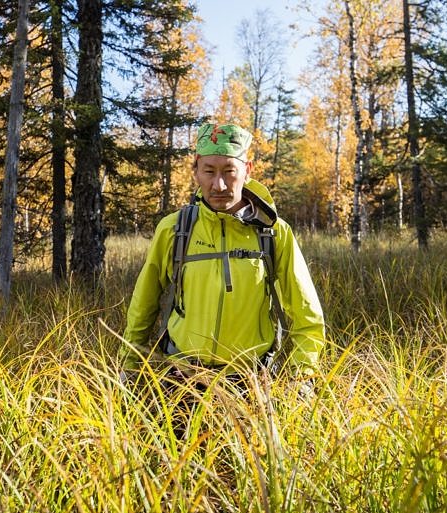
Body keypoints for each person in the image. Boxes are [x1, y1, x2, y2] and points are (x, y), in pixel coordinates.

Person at [120, 122, 324, 388]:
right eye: (209, 171)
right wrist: (129, 365)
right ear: (196, 170)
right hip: (181, 380)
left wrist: (303, 376)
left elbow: (307, 315)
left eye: (229, 171)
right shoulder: (174, 229)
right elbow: (143, 303)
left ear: (247, 170)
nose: (218, 184)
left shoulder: (274, 233)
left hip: (251, 382)